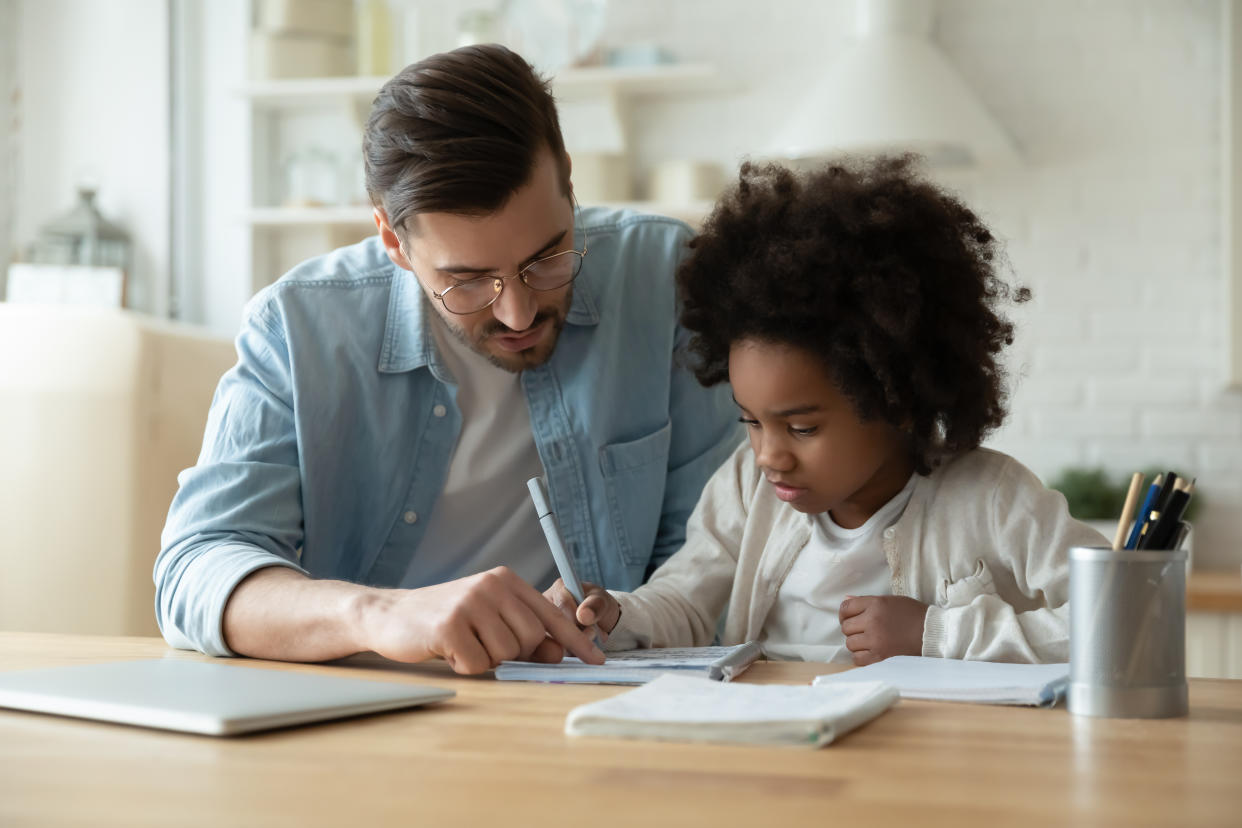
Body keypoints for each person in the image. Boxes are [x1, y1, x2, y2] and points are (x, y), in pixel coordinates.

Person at [154, 44, 739, 674]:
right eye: (468, 280)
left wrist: (627, 616)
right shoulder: (297, 328)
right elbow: (195, 570)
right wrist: (383, 615)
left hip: (604, 697)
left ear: (569, 181)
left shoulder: (663, 280)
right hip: (375, 712)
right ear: (393, 241)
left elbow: (719, 553)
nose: (518, 312)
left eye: (547, 258)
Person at [547, 156, 1106, 665]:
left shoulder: (993, 500)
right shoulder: (747, 489)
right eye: (751, 421)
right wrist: (619, 613)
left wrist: (939, 635)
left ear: (897, 400)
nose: (769, 456)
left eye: (802, 427)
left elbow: (1112, 617)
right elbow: (685, 603)